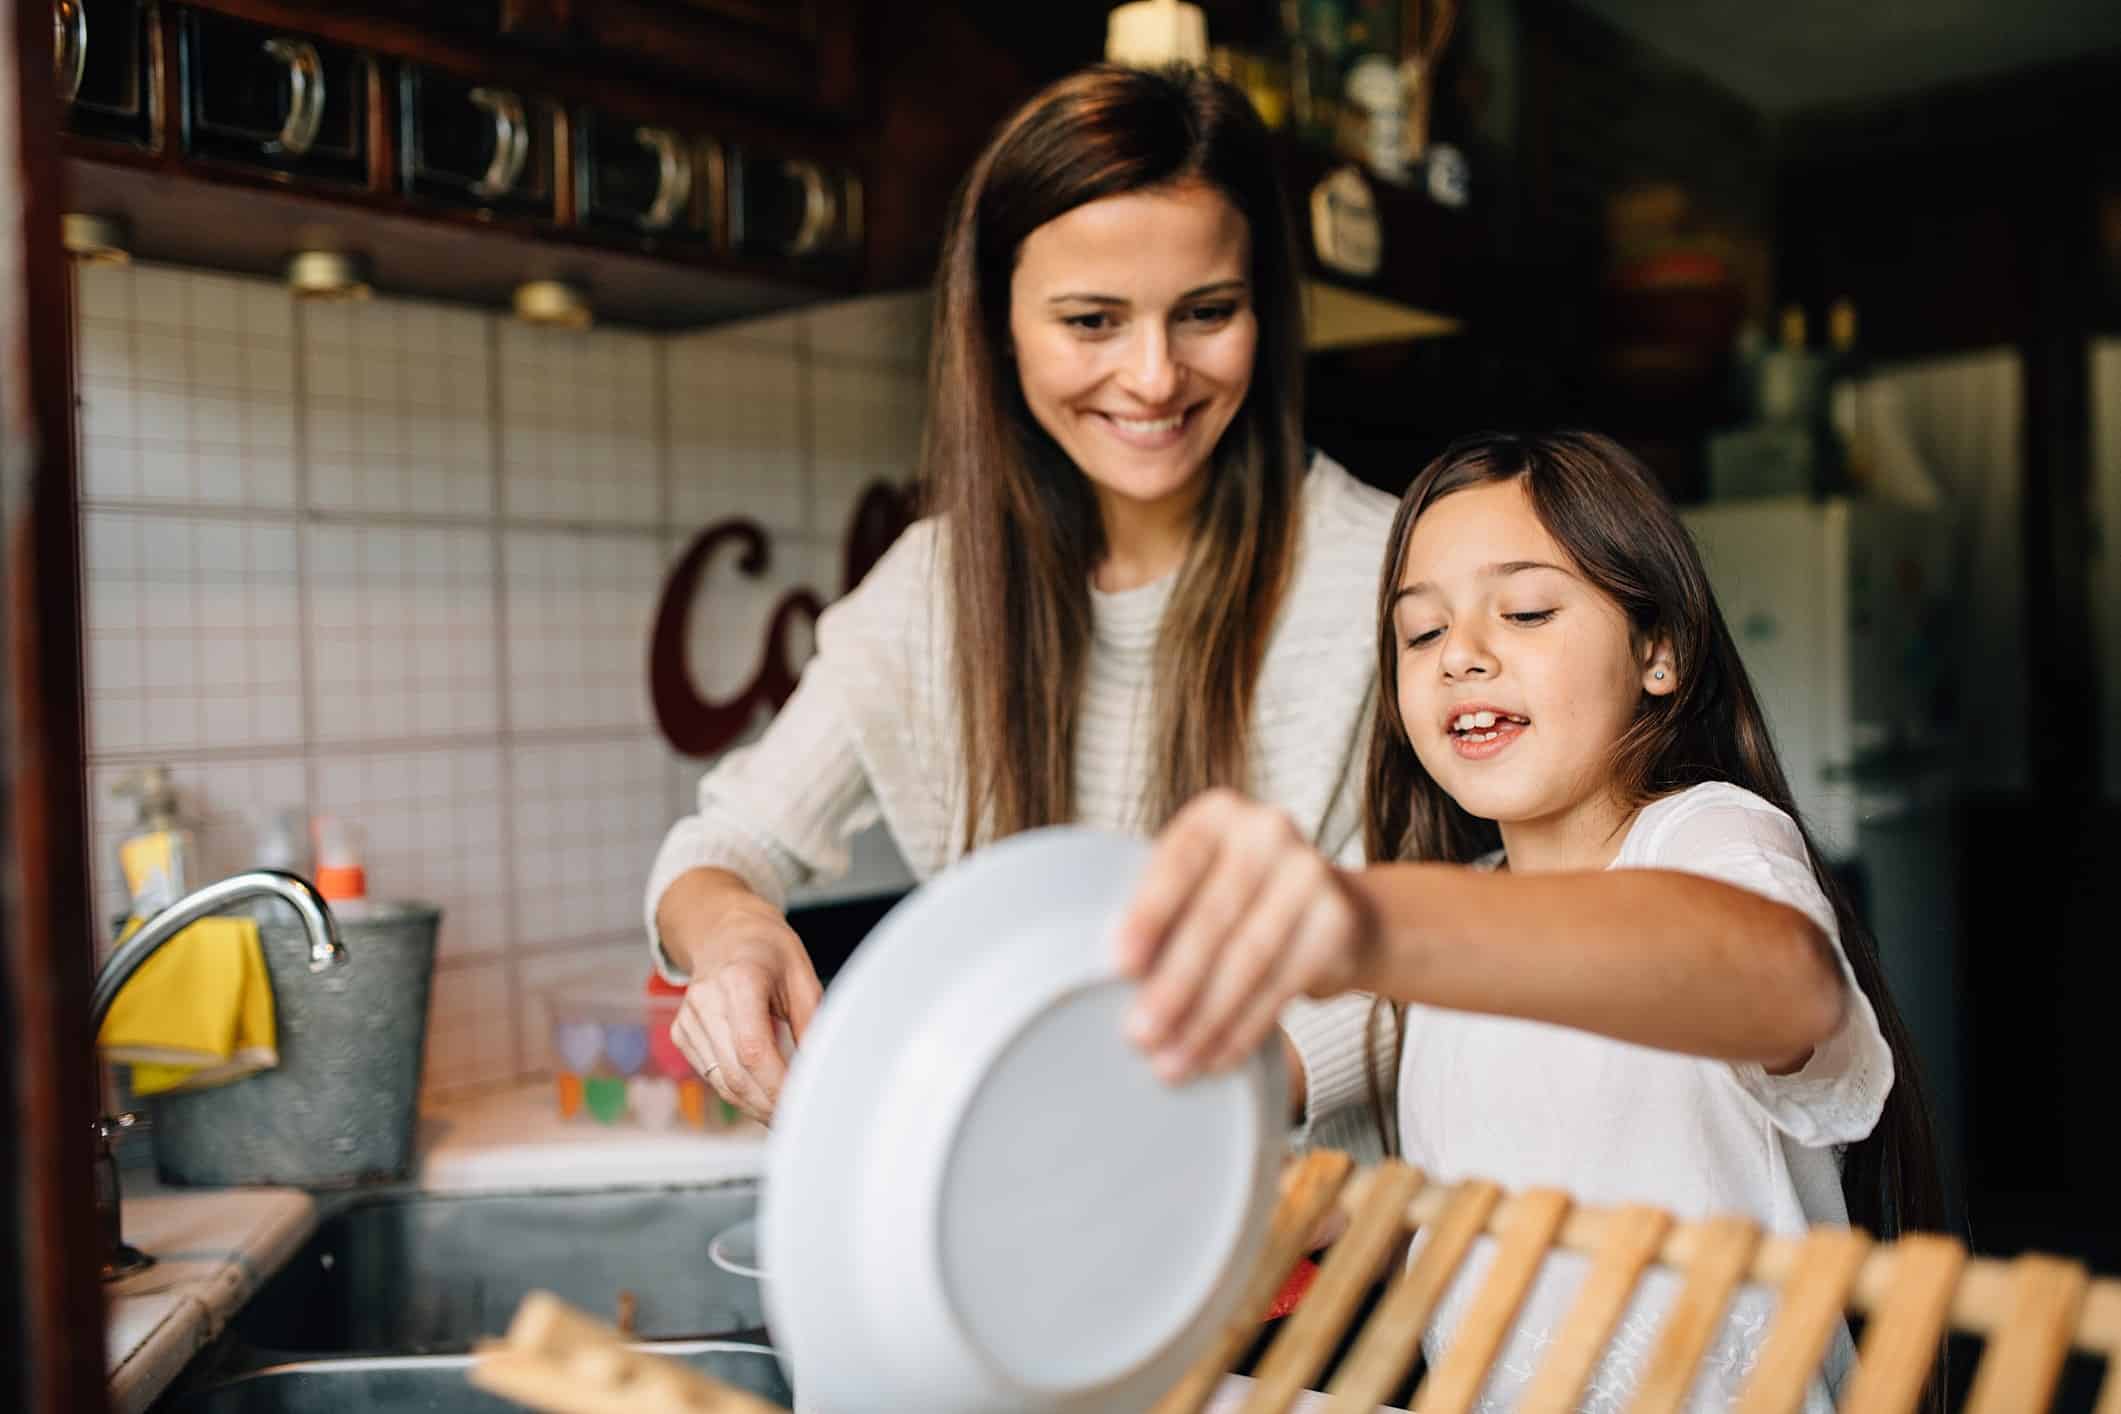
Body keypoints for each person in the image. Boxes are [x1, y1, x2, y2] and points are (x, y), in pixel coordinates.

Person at [645, 63, 1398, 1146]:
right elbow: (722, 850)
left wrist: (1223, 1090)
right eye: (1092, 320)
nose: (1152, 376)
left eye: (1207, 313)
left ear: (1265, 312)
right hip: (1045, 1247)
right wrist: (732, 938)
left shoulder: (1385, 574)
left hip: (1326, 1268)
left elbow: (1481, 932)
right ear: (998, 325)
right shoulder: (933, 591)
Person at [1116, 430, 1944, 1410]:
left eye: (1526, 610)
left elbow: (1787, 984)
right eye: (1421, 632)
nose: (1462, 654)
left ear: (1659, 651)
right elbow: (1504, 1186)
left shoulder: (1710, 837)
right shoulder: (1465, 917)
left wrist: (1369, 924)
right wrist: (1311, 1217)